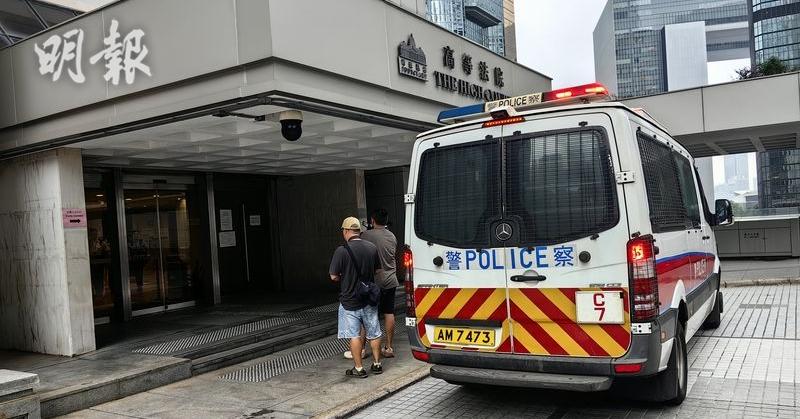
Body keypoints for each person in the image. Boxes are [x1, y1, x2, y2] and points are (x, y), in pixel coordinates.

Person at [330, 216, 383, 378]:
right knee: (374, 332)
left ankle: (359, 368)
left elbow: (333, 276)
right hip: (369, 298)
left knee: (354, 335)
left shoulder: (341, 250)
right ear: (358, 231)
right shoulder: (371, 247)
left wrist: (345, 276)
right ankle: (377, 364)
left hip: (350, 301)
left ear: (346, 231)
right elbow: (377, 270)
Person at [361, 208, 399, 359]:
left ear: (372, 220)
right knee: (389, 312)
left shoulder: (366, 235)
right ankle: (389, 347)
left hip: (373, 282)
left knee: (367, 315)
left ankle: (362, 349)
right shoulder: (392, 236)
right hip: (390, 280)